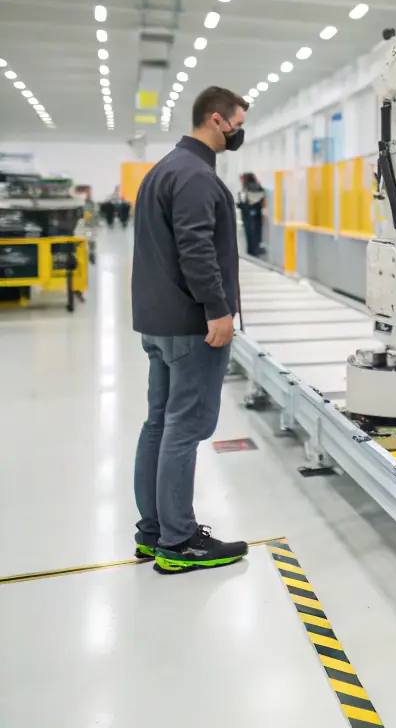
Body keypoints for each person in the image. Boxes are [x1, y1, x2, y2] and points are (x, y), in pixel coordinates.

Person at [131, 86, 251, 574]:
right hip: (191, 325)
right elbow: (196, 251)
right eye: (238, 122)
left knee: (159, 423)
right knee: (185, 428)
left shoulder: (164, 169)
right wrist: (217, 310)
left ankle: (155, 530)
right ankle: (179, 543)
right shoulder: (197, 176)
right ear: (217, 120)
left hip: (159, 323)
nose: (240, 131)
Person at [237, 172, 267, 257]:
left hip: (248, 215)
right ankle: (255, 251)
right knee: (256, 235)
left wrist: (239, 205)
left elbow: (242, 202)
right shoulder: (259, 187)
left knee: (250, 236)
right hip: (257, 215)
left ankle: (251, 253)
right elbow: (262, 201)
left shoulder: (246, 188)